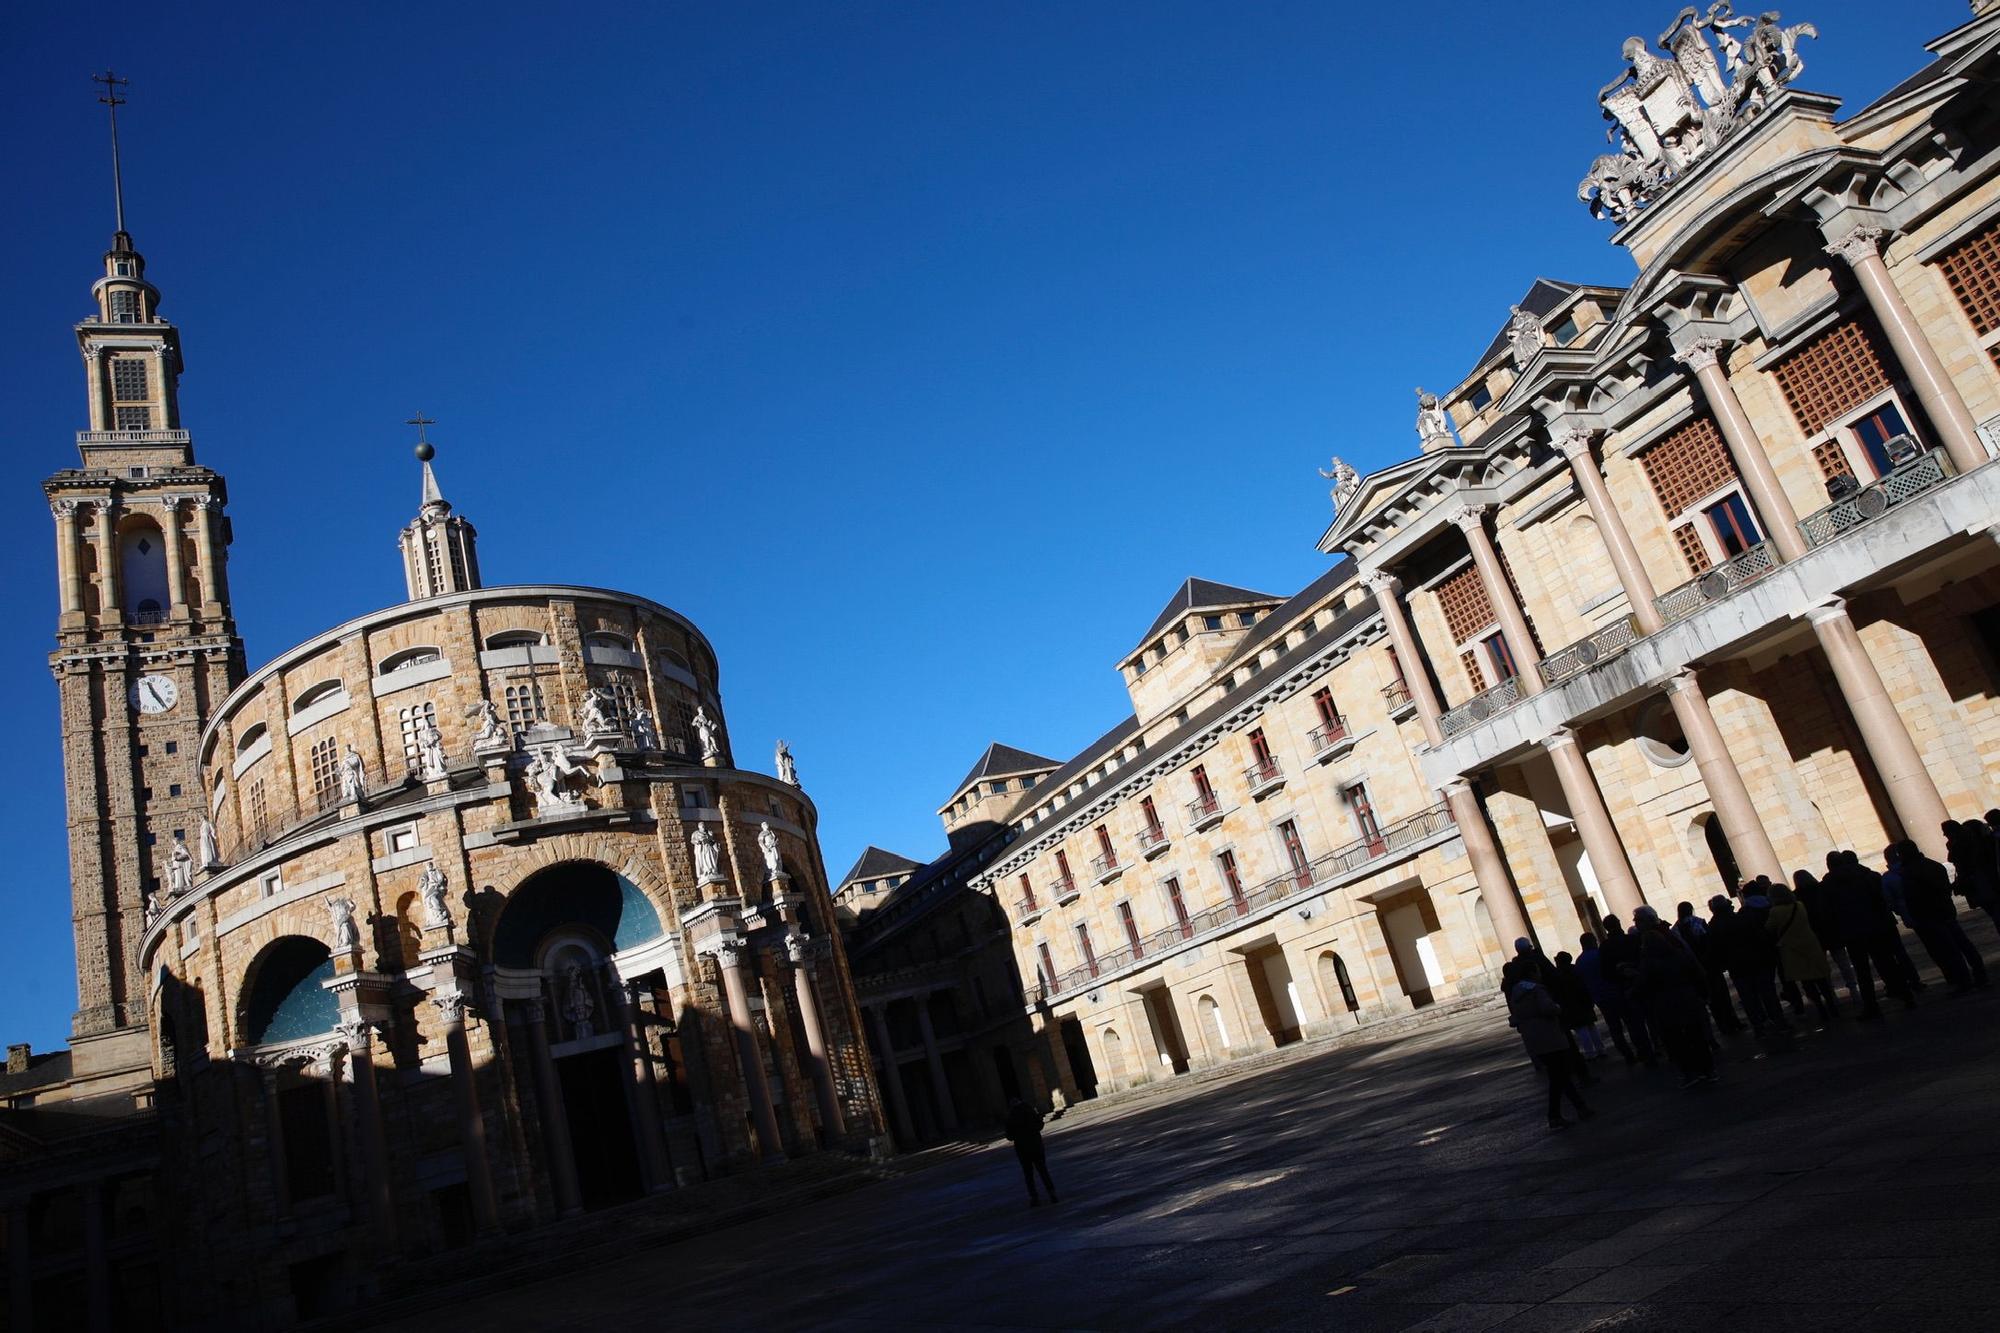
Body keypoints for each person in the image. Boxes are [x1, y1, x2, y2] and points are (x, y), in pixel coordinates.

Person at [1823, 850, 1915, 1019]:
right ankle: (1906, 994)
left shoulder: (1829, 883)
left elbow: (1830, 911)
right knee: (1886, 962)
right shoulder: (1866, 874)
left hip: (1853, 931)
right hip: (1875, 926)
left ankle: (1871, 1006)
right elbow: (1880, 898)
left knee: (1862, 970)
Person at [1894, 840, 1988, 993]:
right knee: (1963, 944)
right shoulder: (1932, 865)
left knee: (1950, 950)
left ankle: (1964, 981)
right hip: (1944, 909)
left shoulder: (1910, 872)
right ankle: (1980, 975)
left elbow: (1913, 896)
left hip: (1930, 914)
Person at [1631, 929, 1716, 1088]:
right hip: (1688, 998)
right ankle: (1708, 1069)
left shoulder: (1648, 963)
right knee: (1697, 1036)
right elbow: (1698, 974)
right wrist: (1704, 994)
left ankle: (1688, 1073)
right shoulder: (1680, 954)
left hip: (1666, 1005)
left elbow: (1642, 986)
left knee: (1676, 1041)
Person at [1507, 974, 1592, 1129]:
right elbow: (1548, 1008)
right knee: (1559, 1075)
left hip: (1534, 1041)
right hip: (1550, 1037)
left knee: (1559, 1076)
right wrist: (1558, 1008)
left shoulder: (1515, 994)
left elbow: (1514, 1018)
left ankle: (1576, 1109)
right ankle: (1558, 1114)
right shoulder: (1537, 990)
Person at [1576, 930, 1653, 1064]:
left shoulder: (1580, 961)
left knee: (1614, 1027)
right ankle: (1641, 1050)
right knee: (1630, 1023)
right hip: (1615, 992)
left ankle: (1627, 1054)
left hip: (1600, 997)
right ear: (1593, 942)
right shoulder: (1600, 954)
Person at [1766, 883, 1837, 1022]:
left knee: (1807, 981)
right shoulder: (1799, 905)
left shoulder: (1775, 911)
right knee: (1820, 978)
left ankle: (1820, 1008)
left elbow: (1769, 928)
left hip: (1792, 948)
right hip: (1810, 943)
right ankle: (1832, 1005)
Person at [1675, 900, 1742, 1034]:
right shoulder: (1699, 922)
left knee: (1711, 998)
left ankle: (1722, 1025)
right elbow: (1710, 941)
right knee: (1722, 995)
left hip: (1695, 967)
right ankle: (1732, 1021)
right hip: (1710, 964)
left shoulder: (1676, 928)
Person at [1795, 869, 1857, 1000]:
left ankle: (1830, 993)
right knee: (1843, 962)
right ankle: (1853, 987)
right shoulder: (1821, 889)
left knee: (1823, 967)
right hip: (1831, 930)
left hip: (1814, 934)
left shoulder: (1797, 896)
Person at [1944, 820, 2000, 933]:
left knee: (1994, 909)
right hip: (1981, 879)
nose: (1944, 835)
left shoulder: (1962, 844)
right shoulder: (1975, 842)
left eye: (1945, 832)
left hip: (1979, 880)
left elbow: (1957, 860)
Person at [1003, 1098, 1059, 1207]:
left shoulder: (1011, 1116)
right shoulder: (1029, 1111)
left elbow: (1009, 1136)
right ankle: (1052, 1193)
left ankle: (1034, 1197)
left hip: (1022, 1149)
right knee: (1043, 1170)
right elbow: (1040, 1125)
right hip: (1036, 1145)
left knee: (1028, 1174)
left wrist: (1018, 1135)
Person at [1551, 951, 1603, 1059]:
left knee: (1581, 1029)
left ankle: (1590, 1052)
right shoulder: (1576, 970)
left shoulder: (1558, 974)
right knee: (1591, 1026)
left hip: (1571, 1005)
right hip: (1583, 1001)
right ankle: (1600, 1049)